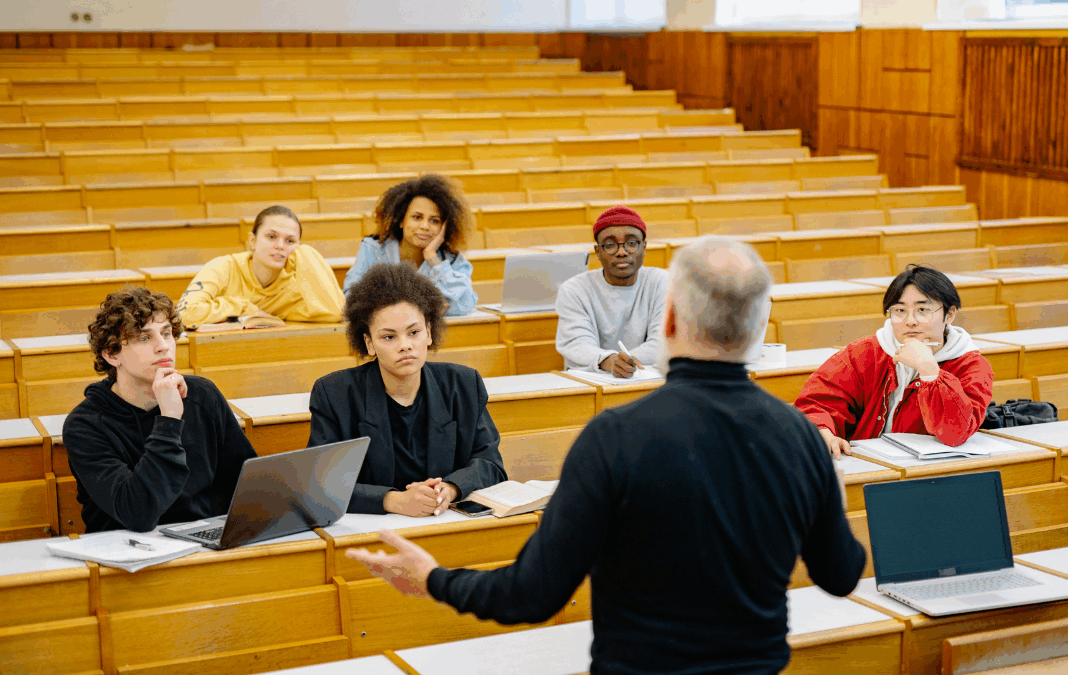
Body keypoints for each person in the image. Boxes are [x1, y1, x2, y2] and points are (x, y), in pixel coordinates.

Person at [347, 237, 866, 675]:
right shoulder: (799, 437)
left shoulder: (616, 436)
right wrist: (823, 492)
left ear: (668, 321)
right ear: (758, 326)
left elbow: (532, 593)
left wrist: (433, 578)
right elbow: (842, 574)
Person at [308, 263, 506, 516]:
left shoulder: (463, 384)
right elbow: (321, 484)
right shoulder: (334, 394)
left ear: (429, 333)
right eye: (389, 337)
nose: (405, 345)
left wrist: (450, 488)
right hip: (372, 529)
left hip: (444, 520)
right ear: (369, 343)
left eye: (414, 332)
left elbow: (491, 464)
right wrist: (392, 500)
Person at [63, 288, 257, 533]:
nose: (163, 346)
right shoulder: (85, 425)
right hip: (126, 548)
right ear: (112, 355)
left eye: (166, 333)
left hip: (201, 541)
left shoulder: (203, 395)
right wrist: (169, 421)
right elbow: (138, 514)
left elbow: (247, 483)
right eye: (144, 338)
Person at [795, 264, 994, 456]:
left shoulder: (972, 367)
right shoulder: (865, 352)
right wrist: (821, 430)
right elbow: (818, 402)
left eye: (923, 310)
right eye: (899, 311)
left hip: (930, 469)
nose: (910, 321)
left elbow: (956, 433)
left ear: (949, 315)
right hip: (866, 462)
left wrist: (930, 372)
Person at [176, 205, 344, 327]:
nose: (280, 246)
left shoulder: (294, 288)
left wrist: (304, 253)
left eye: (290, 241)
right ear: (253, 241)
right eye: (271, 237)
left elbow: (335, 313)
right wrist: (244, 307)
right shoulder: (223, 268)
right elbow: (184, 314)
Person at [555, 205, 668, 378]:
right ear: (598, 251)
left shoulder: (662, 282)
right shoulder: (574, 289)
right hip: (590, 380)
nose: (622, 252)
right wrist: (609, 361)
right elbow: (576, 344)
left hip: (647, 378)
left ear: (644, 247)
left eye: (632, 243)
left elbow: (664, 341)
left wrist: (625, 363)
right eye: (610, 245)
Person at [342, 174, 478, 317]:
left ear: (444, 227)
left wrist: (432, 258)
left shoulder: (451, 260)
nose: (425, 226)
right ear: (401, 220)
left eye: (434, 221)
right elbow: (350, 298)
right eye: (417, 217)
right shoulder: (374, 249)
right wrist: (424, 305)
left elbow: (465, 305)